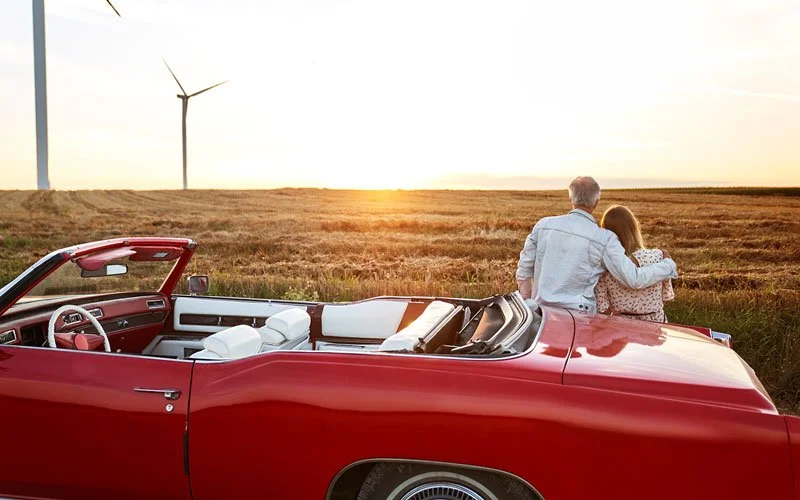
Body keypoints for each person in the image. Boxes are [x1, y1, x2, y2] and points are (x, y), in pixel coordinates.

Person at [515, 176, 677, 313]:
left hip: (542, 312)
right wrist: (668, 265)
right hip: (579, 316)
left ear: (570, 198)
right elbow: (633, 278)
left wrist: (529, 300)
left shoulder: (544, 225)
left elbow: (524, 269)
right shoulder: (604, 239)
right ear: (596, 202)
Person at [594, 205, 675, 322]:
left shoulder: (606, 267)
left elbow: (602, 308)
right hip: (656, 325)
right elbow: (666, 295)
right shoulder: (659, 256)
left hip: (622, 329)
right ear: (634, 227)